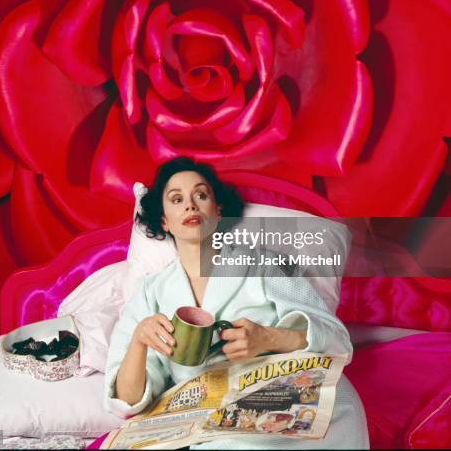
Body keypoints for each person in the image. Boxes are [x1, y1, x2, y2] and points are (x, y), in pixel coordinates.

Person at [104, 156, 369, 449]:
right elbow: (125, 401)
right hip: (208, 415)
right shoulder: (149, 293)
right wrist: (139, 343)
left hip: (280, 395)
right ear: (164, 221)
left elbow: (337, 342)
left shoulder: (263, 266)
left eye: (201, 195)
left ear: (218, 211)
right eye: (177, 199)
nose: (190, 205)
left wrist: (267, 337)